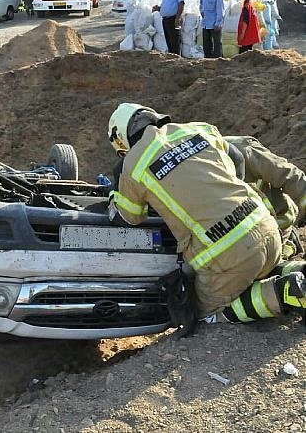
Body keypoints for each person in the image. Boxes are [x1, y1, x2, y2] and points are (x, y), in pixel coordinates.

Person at [107, 103, 306, 326]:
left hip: (225, 255)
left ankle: (286, 291)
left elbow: (128, 217)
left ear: (122, 142)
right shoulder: (197, 129)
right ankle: (299, 272)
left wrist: (113, 197)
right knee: (258, 270)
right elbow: (237, 158)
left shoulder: (134, 163)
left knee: (202, 312)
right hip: (267, 229)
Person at [224, 135, 306, 259]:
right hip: (245, 244)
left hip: (279, 224)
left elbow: (290, 177)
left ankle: (288, 244)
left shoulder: (240, 149)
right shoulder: (192, 177)